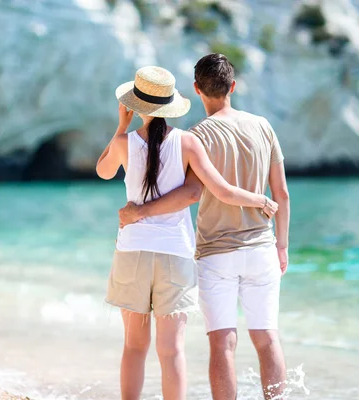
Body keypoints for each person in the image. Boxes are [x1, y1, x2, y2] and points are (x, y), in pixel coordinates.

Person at [95, 65, 278, 400]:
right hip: (175, 255)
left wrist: (121, 128)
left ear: (136, 105)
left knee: (134, 346)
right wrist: (260, 199)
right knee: (172, 350)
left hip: (132, 250)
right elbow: (218, 191)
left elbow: (103, 171)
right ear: (171, 104)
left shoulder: (124, 143)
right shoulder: (188, 143)